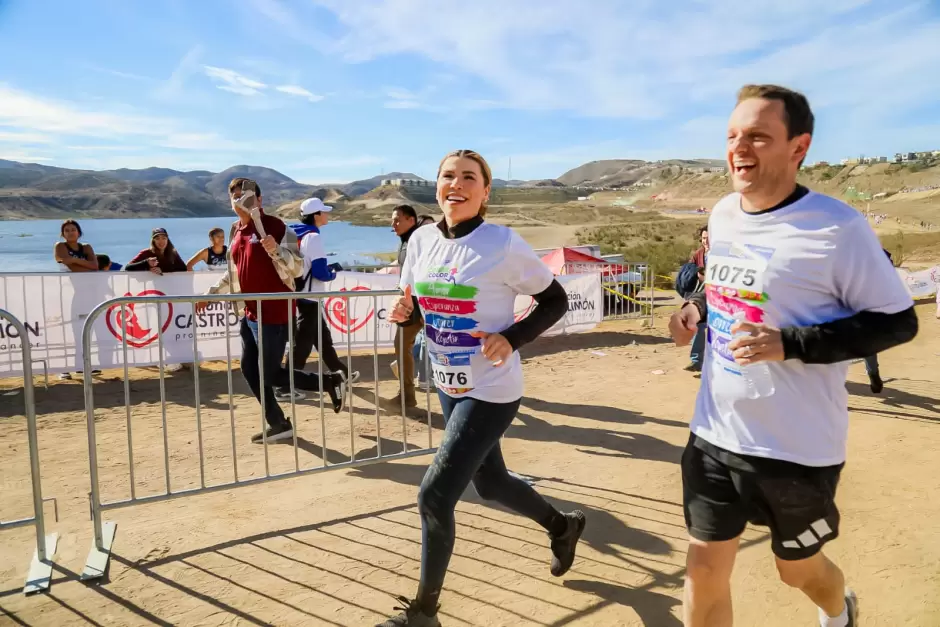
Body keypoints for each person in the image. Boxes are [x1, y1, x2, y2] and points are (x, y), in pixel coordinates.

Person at [668, 85, 918, 627]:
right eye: (733, 136)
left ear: (798, 147)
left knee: (796, 569)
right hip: (715, 431)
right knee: (703, 574)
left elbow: (900, 320)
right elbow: (728, 288)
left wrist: (793, 344)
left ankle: (839, 609)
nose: (740, 148)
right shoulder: (724, 213)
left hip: (797, 447)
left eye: (758, 136)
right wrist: (697, 309)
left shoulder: (838, 228)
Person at [378, 150, 586, 627]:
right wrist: (407, 317)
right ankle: (563, 526)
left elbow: (555, 300)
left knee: (434, 496)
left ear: (485, 192)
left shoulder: (502, 243)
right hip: (449, 382)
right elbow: (417, 310)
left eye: (469, 177)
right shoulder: (422, 242)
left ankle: (424, 614)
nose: (457, 184)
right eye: (448, 176)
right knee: (490, 484)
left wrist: (511, 338)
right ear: (436, 186)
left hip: (492, 388)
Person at [196, 178, 346, 444]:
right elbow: (236, 273)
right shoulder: (234, 230)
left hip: (275, 314)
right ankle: (278, 423)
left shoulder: (277, 227)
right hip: (248, 313)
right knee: (249, 369)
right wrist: (211, 295)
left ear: (259, 200)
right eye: (234, 196)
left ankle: (330, 382)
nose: (239, 200)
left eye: (245, 196)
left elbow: (298, 268)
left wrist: (276, 251)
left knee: (271, 374)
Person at [274, 197, 358, 402]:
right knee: (302, 343)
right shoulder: (314, 237)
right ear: (316, 215)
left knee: (322, 337)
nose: (327, 214)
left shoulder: (297, 234)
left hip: (301, 292)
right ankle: (285, 386)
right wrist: (333, 273)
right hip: (310, 295)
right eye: (324, 212)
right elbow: (320, 271)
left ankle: (341, 373)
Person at [385, 204, 424, 410]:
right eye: (392, 220)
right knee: (401, 346)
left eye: (398, 219)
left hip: (423, 304)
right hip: (413, 303)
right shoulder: (405, 242)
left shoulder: (418, 241)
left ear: (411, 220)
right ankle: (407, 395)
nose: (393, 224)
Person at [53, 220, 100, 380]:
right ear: (63, 233)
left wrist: (73, 260)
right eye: (67, 230)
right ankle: (64, 368)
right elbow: (70, 266)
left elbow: (95, 266)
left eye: (73, 229)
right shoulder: (60, 246)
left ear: (79, 232)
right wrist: (82, 264)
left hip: (85, 293)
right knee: (67, 331)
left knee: (84, 328)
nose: (70, 232)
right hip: (67, 293)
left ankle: (83, 365)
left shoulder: (86, 247)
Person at [685, 225, 709, 372]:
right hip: (701, 298)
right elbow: (689, 271)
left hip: (719, 299)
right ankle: (697, 361)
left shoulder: (723, 254)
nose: (705, 241)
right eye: (703, 238)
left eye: (708, 238)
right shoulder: (698, 254)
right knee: (698, 327)